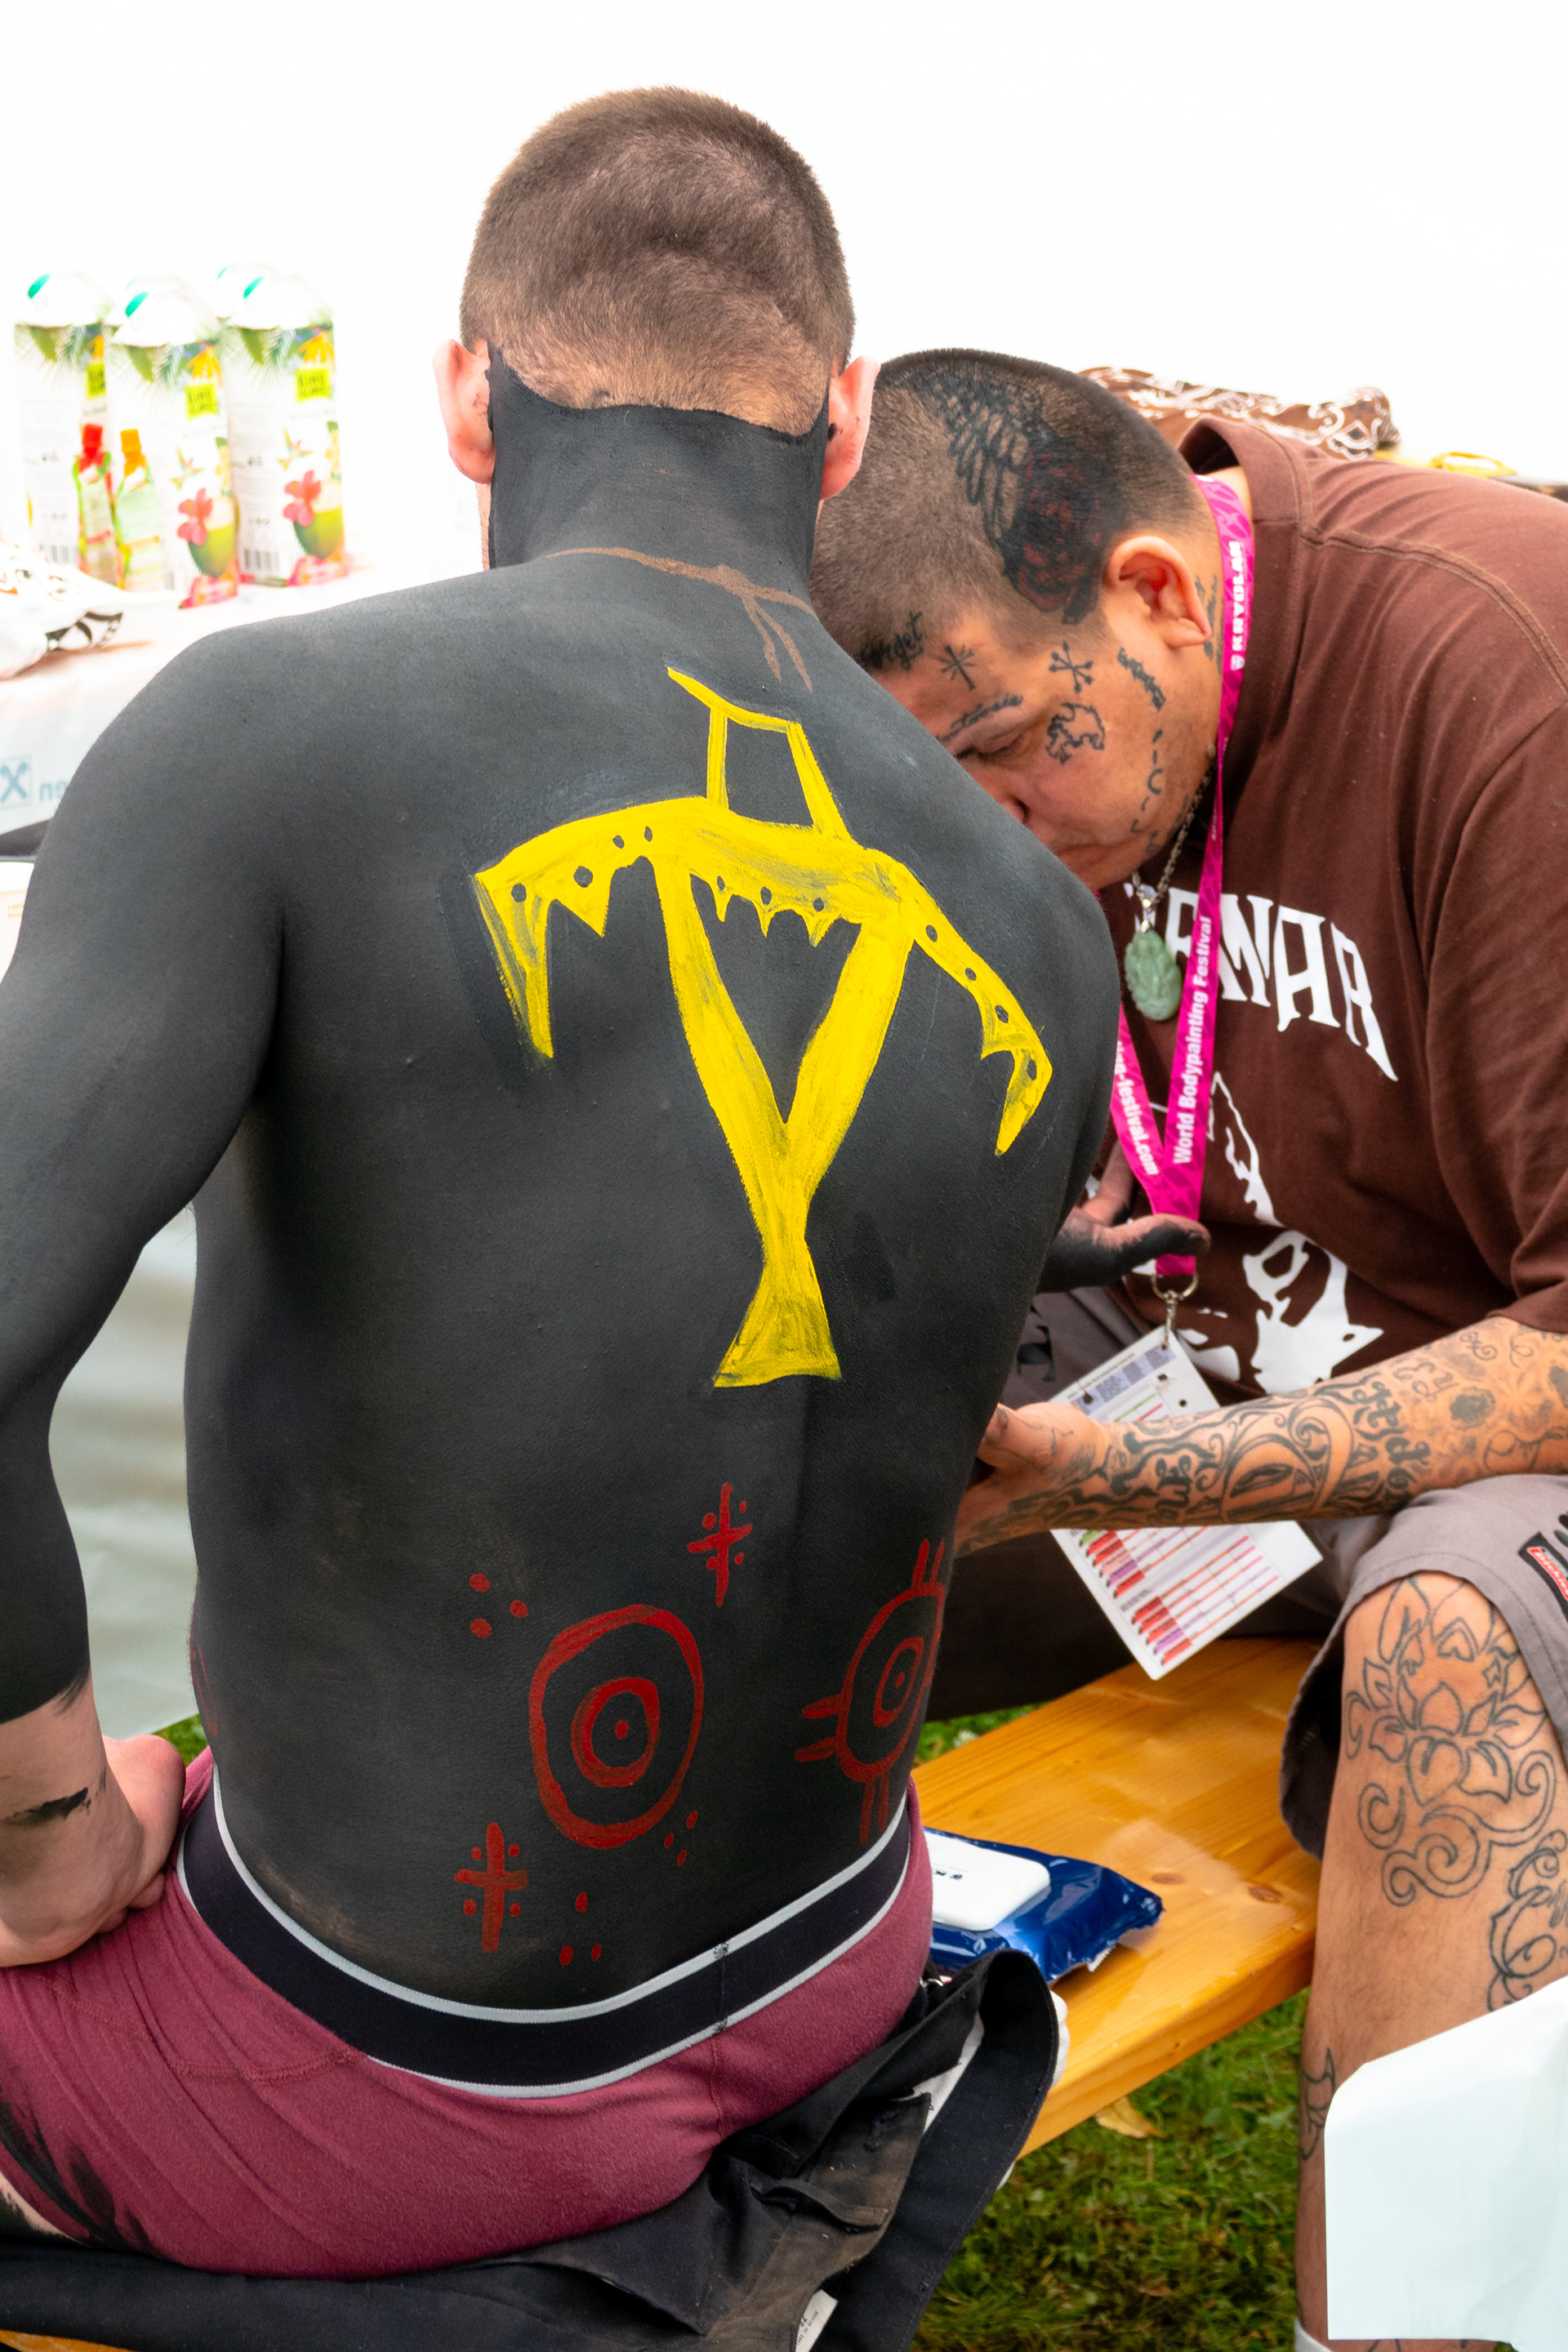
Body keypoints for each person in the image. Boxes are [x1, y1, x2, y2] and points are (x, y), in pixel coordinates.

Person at [0, 117, 1115, 2278]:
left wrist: (48, 1842)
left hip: (394, 2069)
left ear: (462, 399)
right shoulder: (1039, 919)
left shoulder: (266, 735)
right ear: (842, 424)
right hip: (838, 1954)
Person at [811, 348, 1568, 2352]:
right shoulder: (1073, 723)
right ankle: (576, 2172)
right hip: (1220, 1352)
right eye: (925, 789)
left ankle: (1388, 2329)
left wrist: (1139, 1471)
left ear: (1157, 591)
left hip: (1506, 1435)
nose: (979, 824)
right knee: (754, 1450)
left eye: (999, 751)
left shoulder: (1502, 672)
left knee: (1444, 1660)